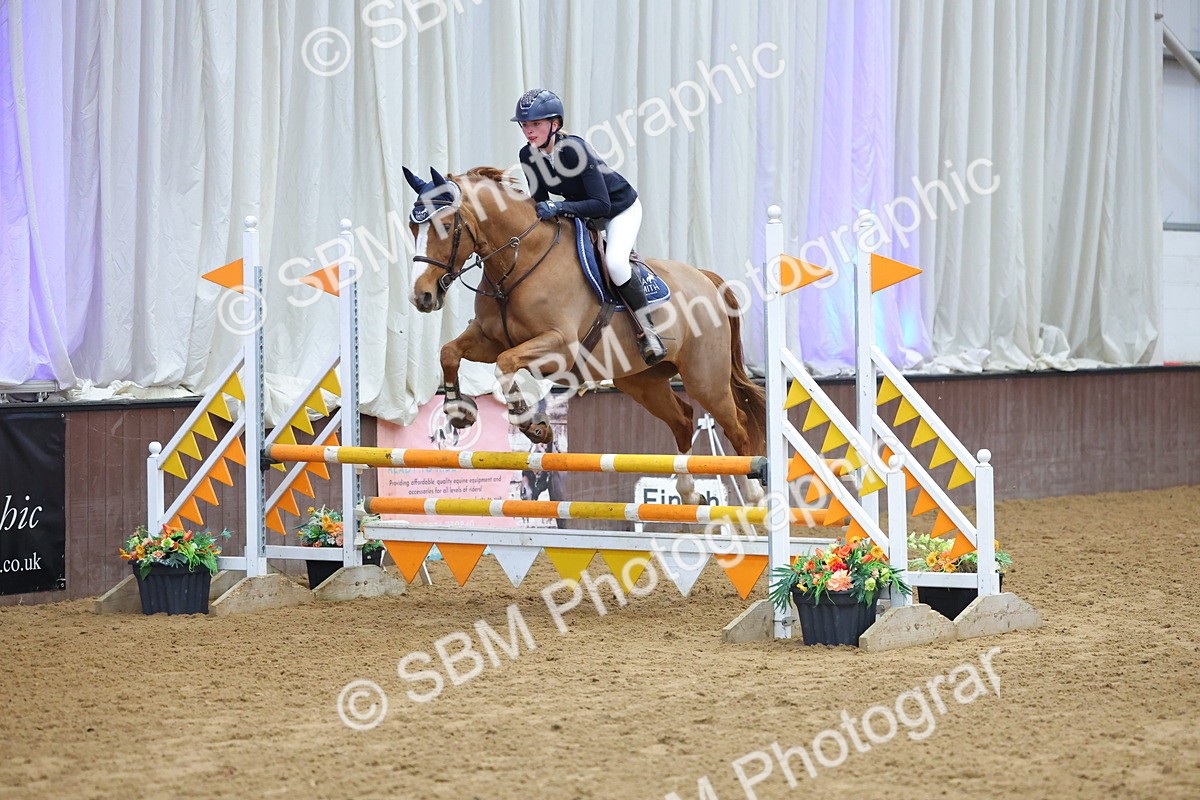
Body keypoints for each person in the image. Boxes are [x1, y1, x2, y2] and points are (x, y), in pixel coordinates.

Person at [513, 89, 666, 366]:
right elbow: (541, 201)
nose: (529, 131)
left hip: (619, 209)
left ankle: (649, 331)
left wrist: (559, 208)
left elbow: (601, 204)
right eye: (525, 125)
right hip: (582, 212)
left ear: (555, 125)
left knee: (616, 265)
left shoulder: (574, 150)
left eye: (535, 124)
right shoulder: (528, 155)